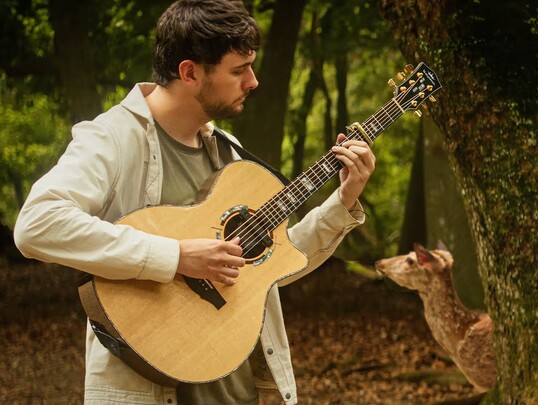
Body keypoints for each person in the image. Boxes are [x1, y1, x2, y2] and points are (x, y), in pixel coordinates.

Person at [13, 1, 375, 404]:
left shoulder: (228, 152)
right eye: (239, 70)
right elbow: (37, 225)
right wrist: (174, 255)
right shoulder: (111, 139)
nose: (253, 82)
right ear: (189, 72)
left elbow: (268, 269)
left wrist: (343, 201)